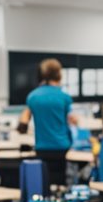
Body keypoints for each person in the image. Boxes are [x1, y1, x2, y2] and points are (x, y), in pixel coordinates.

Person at [18, 58, 78, 187]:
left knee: (44, 182)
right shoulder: (64, 97)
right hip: (62, 147)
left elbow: (23, 123)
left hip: (42, 148)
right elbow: (72, 120)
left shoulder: (32, 96)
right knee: (61, 184)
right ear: (59, 74)